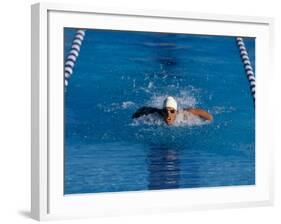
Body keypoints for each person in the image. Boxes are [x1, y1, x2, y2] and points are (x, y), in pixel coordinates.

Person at [132, 96, 213, 125]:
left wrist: (209, 120)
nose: (168, 115)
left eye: (172, 111)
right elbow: (143, 109)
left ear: (176, 112)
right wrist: (135, 116)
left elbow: (200, 112)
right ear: (162, 111)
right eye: (165, 111)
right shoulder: (157, 113)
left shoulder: (184, 115)